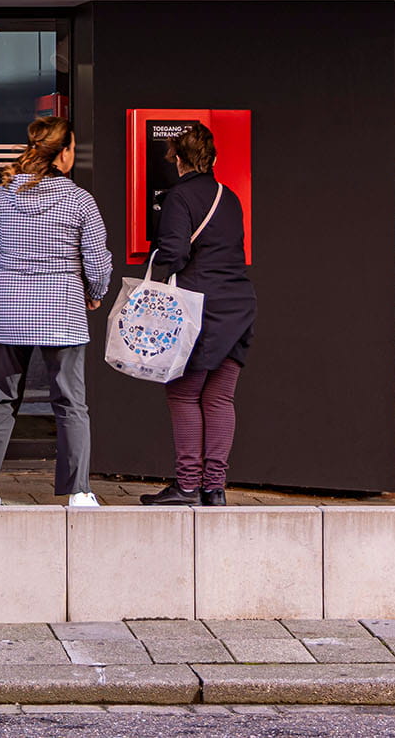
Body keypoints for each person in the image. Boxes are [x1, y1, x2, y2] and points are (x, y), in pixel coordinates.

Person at [0, 116, 111, 508]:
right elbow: (97, 262)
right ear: (62, 154)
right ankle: (78, 493)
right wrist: (94, 293)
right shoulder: (79, 200)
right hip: (63, 312)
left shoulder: (3, 196)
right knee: (70, 403)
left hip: (9, 312)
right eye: (72, 148)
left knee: (0, 399)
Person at [139, 122, 257, 507]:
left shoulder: (179, 197)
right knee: (221, 398)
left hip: (198, 310)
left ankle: (187, 485)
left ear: (176, 158)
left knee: (184, 394)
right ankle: (214, 488)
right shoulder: (231, 197)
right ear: (213, 157)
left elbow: (174, 255)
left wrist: (153, 270)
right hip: (238, 306)